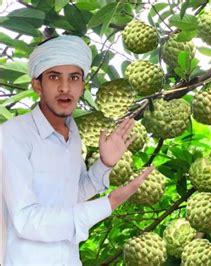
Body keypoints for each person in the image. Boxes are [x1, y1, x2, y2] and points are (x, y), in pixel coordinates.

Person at [0, 35, 152, 265]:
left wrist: (105, 164)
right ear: (37, 85)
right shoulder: (13, 135)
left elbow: (72, 194)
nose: (65, 87)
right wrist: (108, 203)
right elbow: (26, 221)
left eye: (74, 78)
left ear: (82, 86)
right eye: (54, 77)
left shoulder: (72, 135)